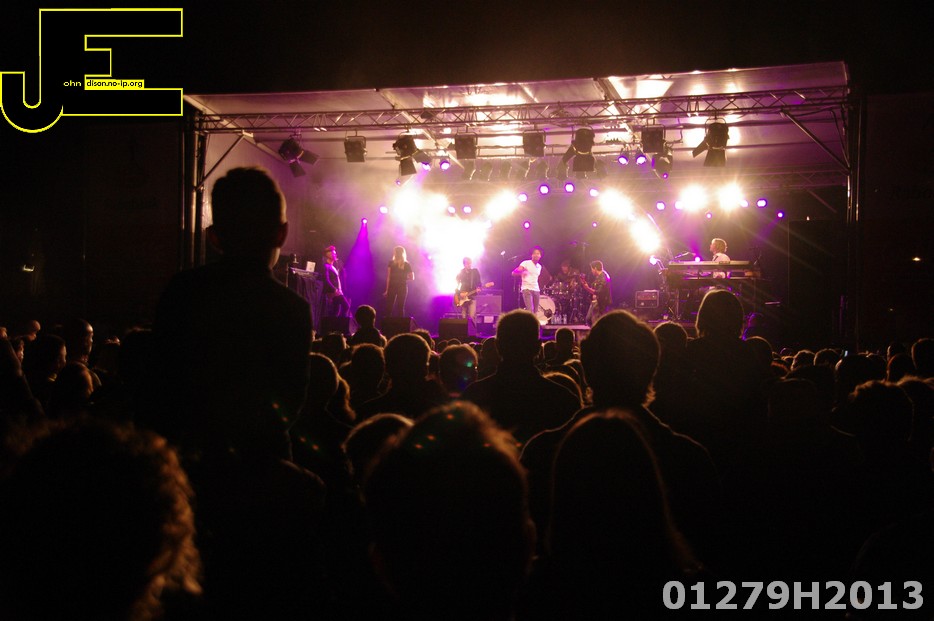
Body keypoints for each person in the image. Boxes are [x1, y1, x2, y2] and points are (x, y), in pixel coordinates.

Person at [142, 166, 312, 460]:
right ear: (281, 234)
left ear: (214, 237)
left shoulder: (182, 291)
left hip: (188, 459)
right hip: (260, 465)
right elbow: (289, 404)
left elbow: (160, 386)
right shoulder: (291, 308)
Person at [384, 245, 414, 317]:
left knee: (389, 307)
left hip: (392, 287)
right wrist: (404, 278)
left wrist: (387, 290)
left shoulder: (391, 263)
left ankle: (388, 323)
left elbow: (388, 277)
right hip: (402, 287)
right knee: (400, 307)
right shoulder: (406, 264)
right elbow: (412, 277)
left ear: (395, 253)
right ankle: (400, 323)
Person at [513, 246, 543, 315]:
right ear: (532, 255)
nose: (536, 255)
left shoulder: (539, 266)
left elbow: (535, 277)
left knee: (535, 311)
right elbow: (515, 272)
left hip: (536, 289)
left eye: (538, 253)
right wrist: (519, 271)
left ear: (540, 256)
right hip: (527, 289)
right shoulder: (526, 263)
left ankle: (534, 322)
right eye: (534, 253)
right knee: (530, 310)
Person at [323, 245, 351, 318]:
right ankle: (342, 322)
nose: (335, 255)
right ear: (328, 255)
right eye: (333, 253)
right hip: (334, 293)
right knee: (346, 306)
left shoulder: (333, 267)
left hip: (338, 292)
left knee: (336, 311)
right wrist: (334, 289)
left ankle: (333, 323)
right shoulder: (326, 266)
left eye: (335, 253)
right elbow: (326, 280)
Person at [581, 260, 612, 326]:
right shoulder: (599, 276)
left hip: (600, 303)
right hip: (595, 302)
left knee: (595, 321)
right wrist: (587, 285)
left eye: (592, 269)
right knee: (589, 319)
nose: (591, 271)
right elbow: (595, 288)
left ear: (595, 268)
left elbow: (599, 292)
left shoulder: (603, 277)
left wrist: (587, 288)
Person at [455, 257, 483, 321]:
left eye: (470, 263)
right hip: (463, 297)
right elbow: (456, 285)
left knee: (472, 317)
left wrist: (479, 287)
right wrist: (459, 293)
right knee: (463, 317)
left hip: (472, 296)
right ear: (464, 264)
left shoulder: (475, 272)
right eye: (467, 263)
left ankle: (472, 327)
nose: (469, 265)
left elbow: (479, 282)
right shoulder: (461, 272)